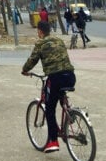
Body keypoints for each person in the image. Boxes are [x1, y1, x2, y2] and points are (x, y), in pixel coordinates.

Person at [22, 20, 76, 153]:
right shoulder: (59, 40)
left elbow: (32, 60)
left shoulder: (40, 43)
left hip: (55, 78)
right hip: (70, 76)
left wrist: (24, 70)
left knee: (49, 108)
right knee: (58, 94)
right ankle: (69, 113)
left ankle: (53, 141)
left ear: (40, 31)